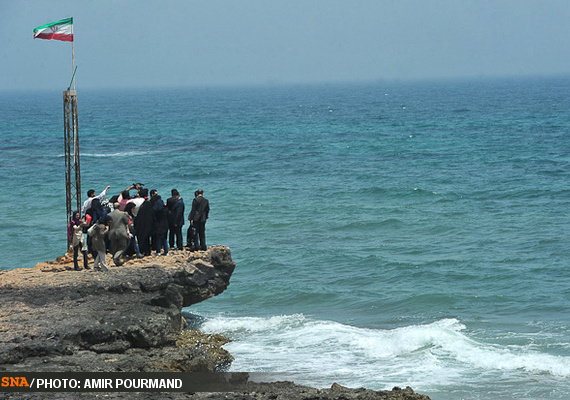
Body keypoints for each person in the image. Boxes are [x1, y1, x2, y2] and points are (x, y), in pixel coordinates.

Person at [134, 188, 154, 256]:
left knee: (140, 236)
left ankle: (141, 250)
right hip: (148, 221)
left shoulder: (135, 201)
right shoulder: (148, 203)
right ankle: (147, 251)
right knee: (147, 237)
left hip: (138, 220)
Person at [150, 189, 169, 256]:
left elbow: (154, 217)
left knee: (158, 238)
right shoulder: (165, 209)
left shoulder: (155, 211)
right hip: (165, 224)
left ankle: (158, 251)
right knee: (164, 238)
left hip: (158, 224)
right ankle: (166, 251)